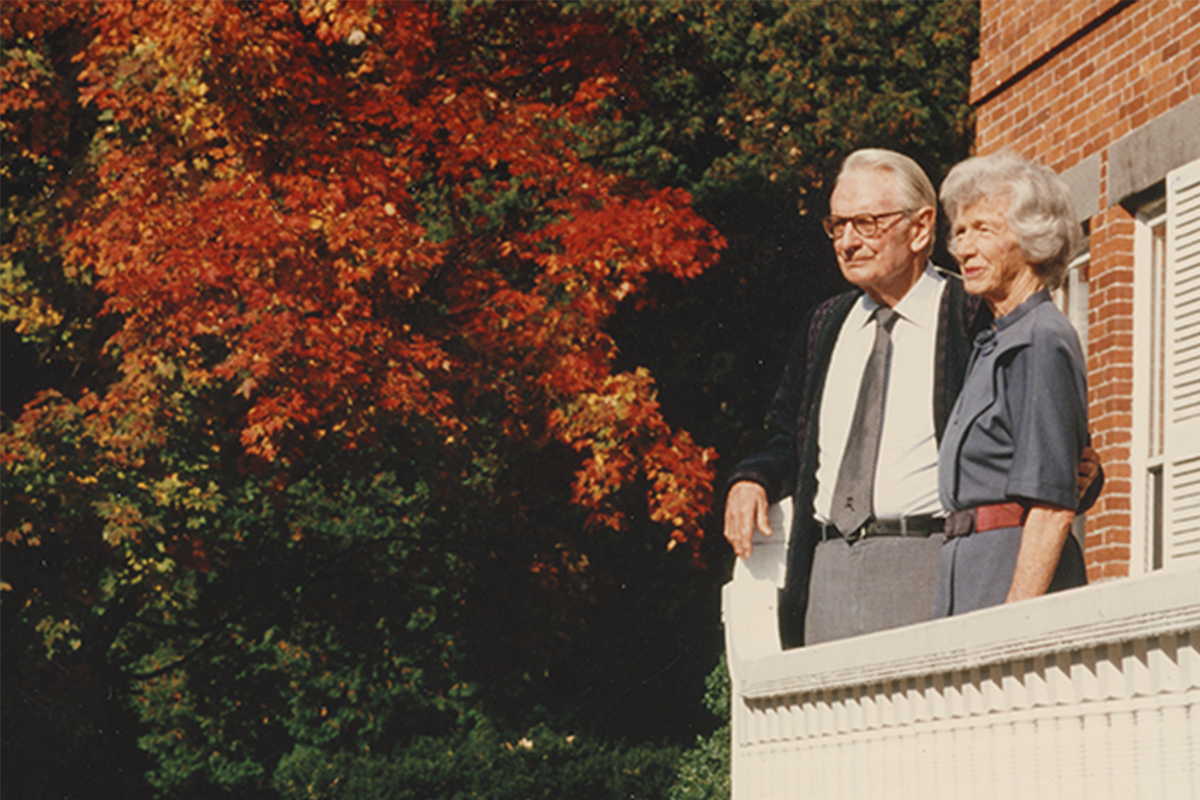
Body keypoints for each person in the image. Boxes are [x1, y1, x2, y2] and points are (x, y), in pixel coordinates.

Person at [723, 148, 1100, 648]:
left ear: (920, 228)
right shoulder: (825, 325)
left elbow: (1045, 441)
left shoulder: (977, 313)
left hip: (932, 564)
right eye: (837, 225)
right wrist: (753, 478)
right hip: (828, 569)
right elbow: (786, 438)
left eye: (867, 223)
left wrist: (1079, 471)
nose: (849, 241)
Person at [933, 153, 1089, 615]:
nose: (963, 249)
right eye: (960, 232)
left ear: (1032, 239)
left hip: (1009, 581)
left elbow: (1052, 505)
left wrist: (1013, 626)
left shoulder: (1041, 338)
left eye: (983, 228)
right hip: (969, 575)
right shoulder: (994, 341)